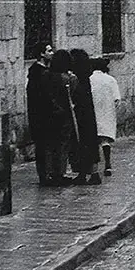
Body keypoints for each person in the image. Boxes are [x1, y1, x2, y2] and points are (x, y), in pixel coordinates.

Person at [42, 49, 78, 186]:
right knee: (62, 145)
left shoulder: (46, 75)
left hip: (48, 114)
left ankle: (49, 172)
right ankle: (60, 173)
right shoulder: (68, 78)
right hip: (64, 115)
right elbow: (72, 92)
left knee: (50, 144)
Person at [69, 49, 101, 185]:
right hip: (88, 114)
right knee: (89, 143)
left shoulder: (78, 80)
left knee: (83, 143)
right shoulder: (86, 77)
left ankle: (89, 174)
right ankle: (89, 174)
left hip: (82, 115)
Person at [27, 42, 54, 185]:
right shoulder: (40, 73)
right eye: (49, 51)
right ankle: (45, 176)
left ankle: (46, 175)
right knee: (44, 147)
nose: (52, 53)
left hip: (41, 117)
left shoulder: (39, 72)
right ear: (42, 54)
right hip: (42, 117)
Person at [90, 57, 120, 177]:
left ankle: (95, 168)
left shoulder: (90, 79)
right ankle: (108, 164)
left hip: (93, 112)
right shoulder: (111, 80)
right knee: (105, 140)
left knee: (94, 140)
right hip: (107, 112)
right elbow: (117, 99)